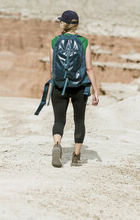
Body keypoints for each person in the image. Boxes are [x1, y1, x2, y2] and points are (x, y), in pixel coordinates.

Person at [49, 10, 99, 167]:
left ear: (63, 24)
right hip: (79, 86)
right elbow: (89, 68)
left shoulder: (55, 41)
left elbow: (51, 68)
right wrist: (95, 90)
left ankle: (57, 144)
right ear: (76, 24)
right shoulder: (84, 42)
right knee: (79, 120)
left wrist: (53, 84)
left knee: (59, 119)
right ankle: (76, 156)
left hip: (59, 85)